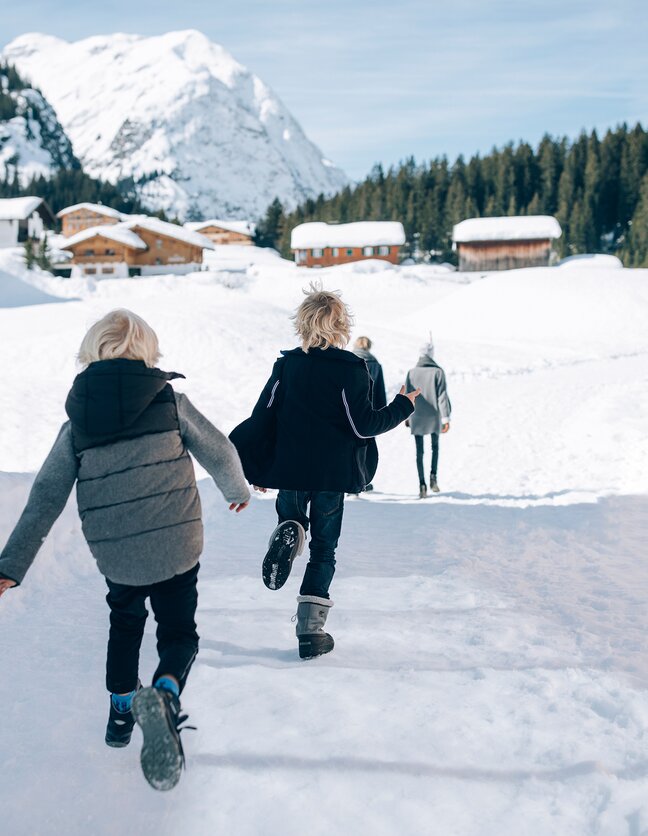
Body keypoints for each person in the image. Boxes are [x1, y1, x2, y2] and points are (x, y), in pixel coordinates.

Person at [0, 309, 250, 791]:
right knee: (178, 632)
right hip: (177, 541)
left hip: (118, 554)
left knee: (126, 622)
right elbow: (219, 450)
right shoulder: (171, 402)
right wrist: (236, 489)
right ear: (147, 353)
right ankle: (165, 693)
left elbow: (45, 499)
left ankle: (121, 712)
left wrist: (11, 565)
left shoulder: (77, 424)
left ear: (90, 353)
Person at [230, 285, 419, 659]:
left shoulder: (286, 366)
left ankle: (290, 527)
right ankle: (310, 631)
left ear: (303, 324)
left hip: (290, 469)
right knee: (324, 549)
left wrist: (252, 464)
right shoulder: (351, 368)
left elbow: (263, 415)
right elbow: (363, 424)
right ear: (340, 325)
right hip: (332, 474)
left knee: (293, 515)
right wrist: (402, 405)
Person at [406, 339, 451, 498]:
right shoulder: (438, 372)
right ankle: (433, 477)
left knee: (419, 451)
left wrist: (406, 416)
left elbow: (407, 395)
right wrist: (446, 418)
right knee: (435, 447)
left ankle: (422, 484)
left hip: (417, 415)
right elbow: (442, 397)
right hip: (434, 415)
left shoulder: (412, 372)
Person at [352, 336, 387, 492]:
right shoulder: (375, 364)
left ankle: (350, 479)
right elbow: (379, 392)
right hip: (370, 412)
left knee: (350, 445)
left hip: (350, 409)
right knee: (365, 447)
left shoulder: (348, 361)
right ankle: (362, 480)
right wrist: (382, 415)